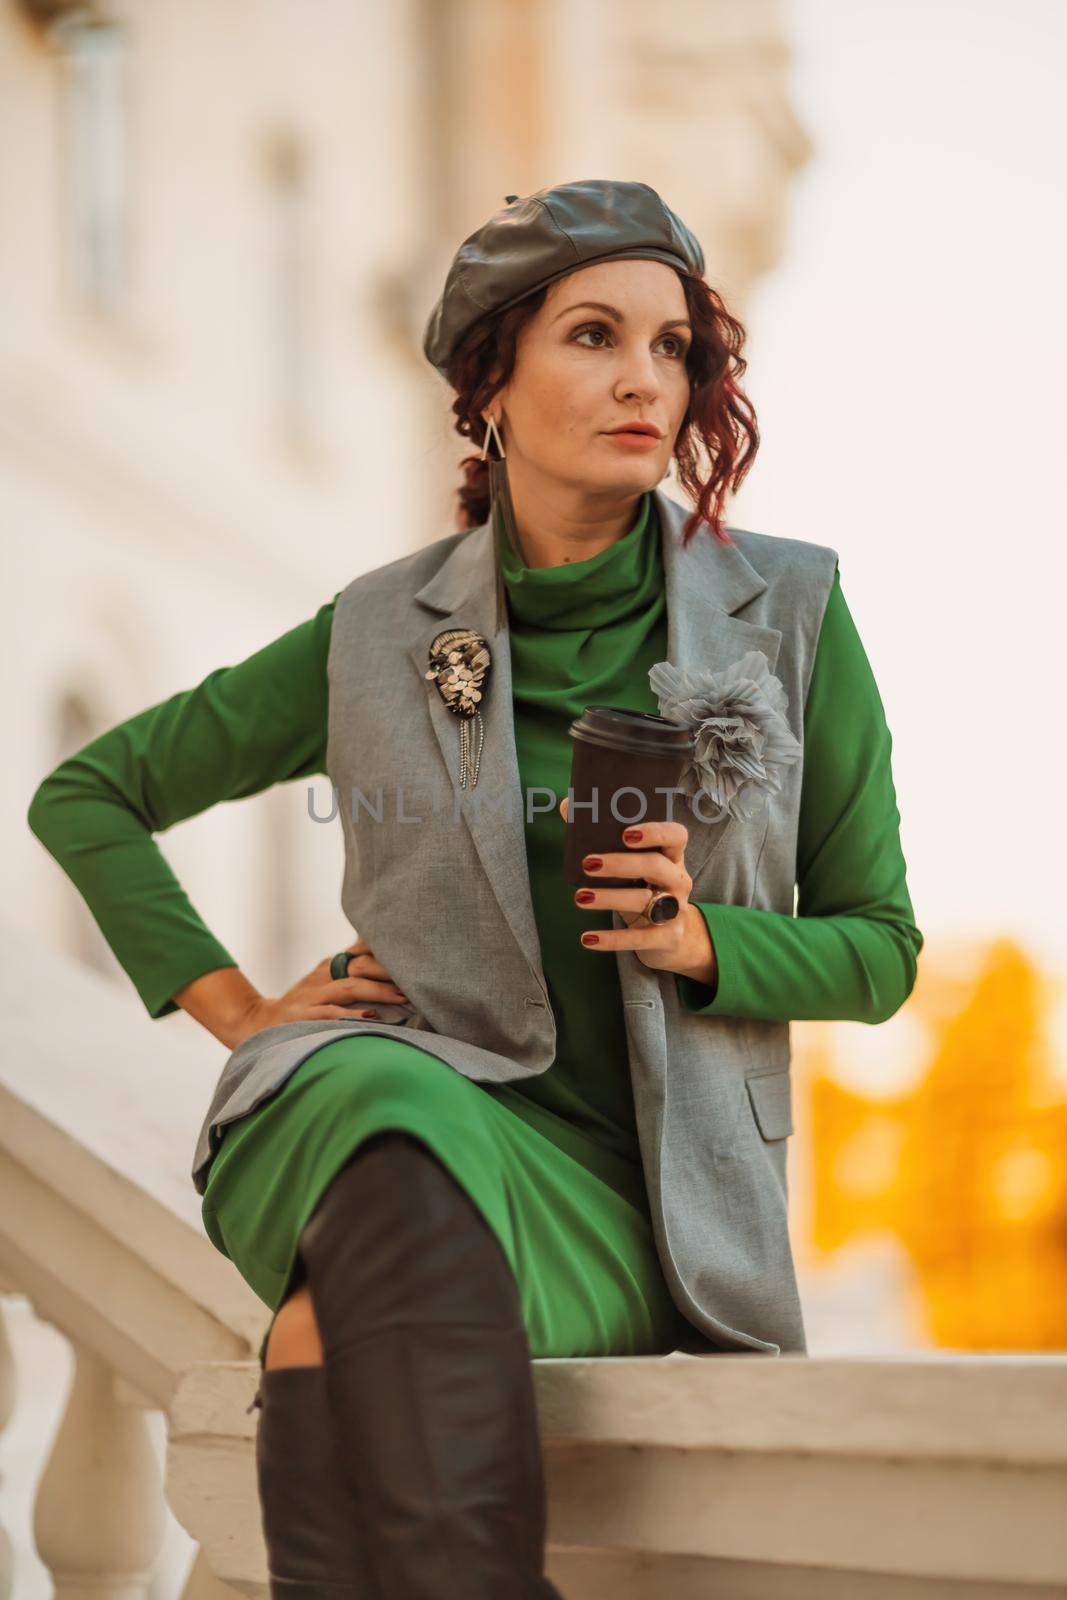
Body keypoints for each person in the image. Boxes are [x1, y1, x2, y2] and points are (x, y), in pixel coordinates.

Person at [27, 179, 923, 1598]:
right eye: (593, 335)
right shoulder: (378, 629)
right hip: (388, 1114)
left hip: (642, 1211)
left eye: (676, 347)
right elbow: (88, 797)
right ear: (488, 380)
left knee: (327, 1332)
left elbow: (881, 950)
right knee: (361, 1080)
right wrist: (242, 1010)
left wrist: (708, 942)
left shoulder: (791, 609)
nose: (647, 379)